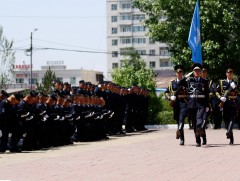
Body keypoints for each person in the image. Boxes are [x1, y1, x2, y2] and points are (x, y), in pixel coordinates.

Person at [185, 63, 210, 147]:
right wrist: (186, 76)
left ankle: (202, 134)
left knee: (199, 119)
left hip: (201, 103)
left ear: (201, 72)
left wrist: (207, 105)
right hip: (192, 104)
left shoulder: (204, 81)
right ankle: (198, 140)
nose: (197, 72)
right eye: (195, 71)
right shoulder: (189, 80)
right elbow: (180, 85)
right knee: (194, 123)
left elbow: (207, 94)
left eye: (199, 70)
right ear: (193, 72)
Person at [165, 65, 188, 145]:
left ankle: (180, 134)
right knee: (178, 120)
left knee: (181, 119)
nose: (179, 74)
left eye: (181, 72)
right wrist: (170, 97)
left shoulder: (186, 82)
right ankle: (181, 135)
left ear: (182, 73)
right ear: (176, 73)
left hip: (183, 103)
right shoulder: (172, 83)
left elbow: (189, 92)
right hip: (175, 104)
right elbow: (166, 92)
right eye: (178, 72)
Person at [218, 65, 238, 144]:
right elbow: (217, 92)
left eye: (231, 72)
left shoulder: (236, 82)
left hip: (233, 102)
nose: (229, 74)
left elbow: (238, 92)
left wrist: (235, 88)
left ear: (232, 74)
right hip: (225, 103)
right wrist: (220, 98)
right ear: (226, 74)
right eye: (228, 72)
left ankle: (229, 131)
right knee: (226, 119)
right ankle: (231, 137)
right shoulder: (222, 82)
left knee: (232, 118)